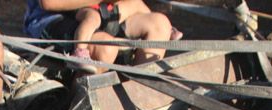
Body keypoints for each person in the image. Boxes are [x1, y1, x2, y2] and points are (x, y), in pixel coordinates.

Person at [24, 0, 179, 72]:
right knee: (106, 48)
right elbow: (49, 3)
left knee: (160, 24)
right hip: (53, 18)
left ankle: (140, 94)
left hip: (100, 10)